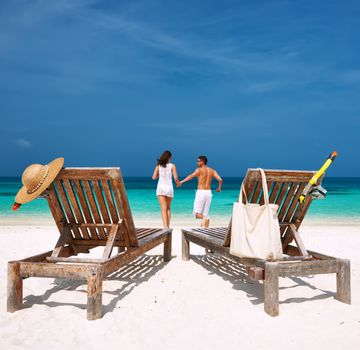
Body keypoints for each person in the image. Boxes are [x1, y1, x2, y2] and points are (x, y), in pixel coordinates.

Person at [178, 155, 222, 227]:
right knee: (206, 214)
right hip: (208, 193)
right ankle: (205, 231)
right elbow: (220, 180)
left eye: (198, 161)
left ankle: (205, 219)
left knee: (196, 214)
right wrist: (219, 188)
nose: (197, 162)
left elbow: (191, 176)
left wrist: (181, 182)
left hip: (201, 192)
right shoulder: (212, 171)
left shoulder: (199, 170)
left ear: (203, 161)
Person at [152, 150, 180, 228]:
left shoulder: (158, 165)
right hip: (169, 187)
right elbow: (176, 178)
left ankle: (165, 227)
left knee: (163, 208)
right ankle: (168, 226)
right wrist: (178, 184)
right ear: (169, 157)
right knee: (168, 208)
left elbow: (154, 177)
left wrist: (159, 175)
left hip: (161, 187)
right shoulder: (172, 166)